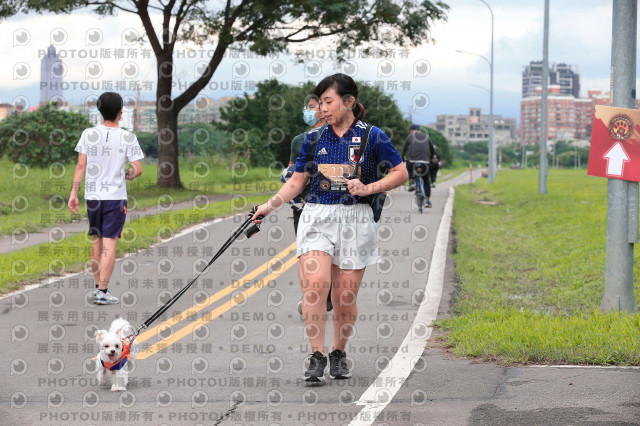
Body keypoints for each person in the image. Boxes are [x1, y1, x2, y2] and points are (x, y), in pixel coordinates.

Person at [252, 73, 408, 382]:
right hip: (317, 216)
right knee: (314, 287)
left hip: (356, 219)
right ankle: (316, 355)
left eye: (328, 102)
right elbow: (297, 182)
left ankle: (338, 351)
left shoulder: (372, 136)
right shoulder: (312, 139)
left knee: (344, 297)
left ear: (348, 102)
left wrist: (369, 187)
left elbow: (401, 172)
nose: (321, 109)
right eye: (319, 103)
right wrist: (268, 207)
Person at [68, 92, 144, 305]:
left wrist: (73, 193)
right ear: (121, 112)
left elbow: (80, 166)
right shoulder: (128, 137)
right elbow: (137, 168)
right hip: (115, 198)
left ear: (100, 111)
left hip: (93, 197)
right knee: (110, 243)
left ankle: (97, 287)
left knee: (97, 240)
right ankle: (103, 291)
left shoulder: (88, 134)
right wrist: (129, 173)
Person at [284, 94, 334, 315]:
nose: (308, 110)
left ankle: (319, 294)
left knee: (313, 253)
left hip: (317, 206)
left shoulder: (329, 137)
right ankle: (319, 295)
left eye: (312, 107)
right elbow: (292, 174)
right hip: (310, 205)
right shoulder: (299, 140)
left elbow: (290, 174)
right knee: (314, 253)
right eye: (308, 107)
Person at [402, 124, 435, 208]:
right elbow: (432, 149)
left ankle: (412, 181)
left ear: (412, 130)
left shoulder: (410, 136)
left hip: (413, 162)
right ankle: (427, 200)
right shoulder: (426, 136)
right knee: (426, 180)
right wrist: (430, 158)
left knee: (408, 167)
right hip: (425, 163)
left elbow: (404, 148)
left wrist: (403, 157)